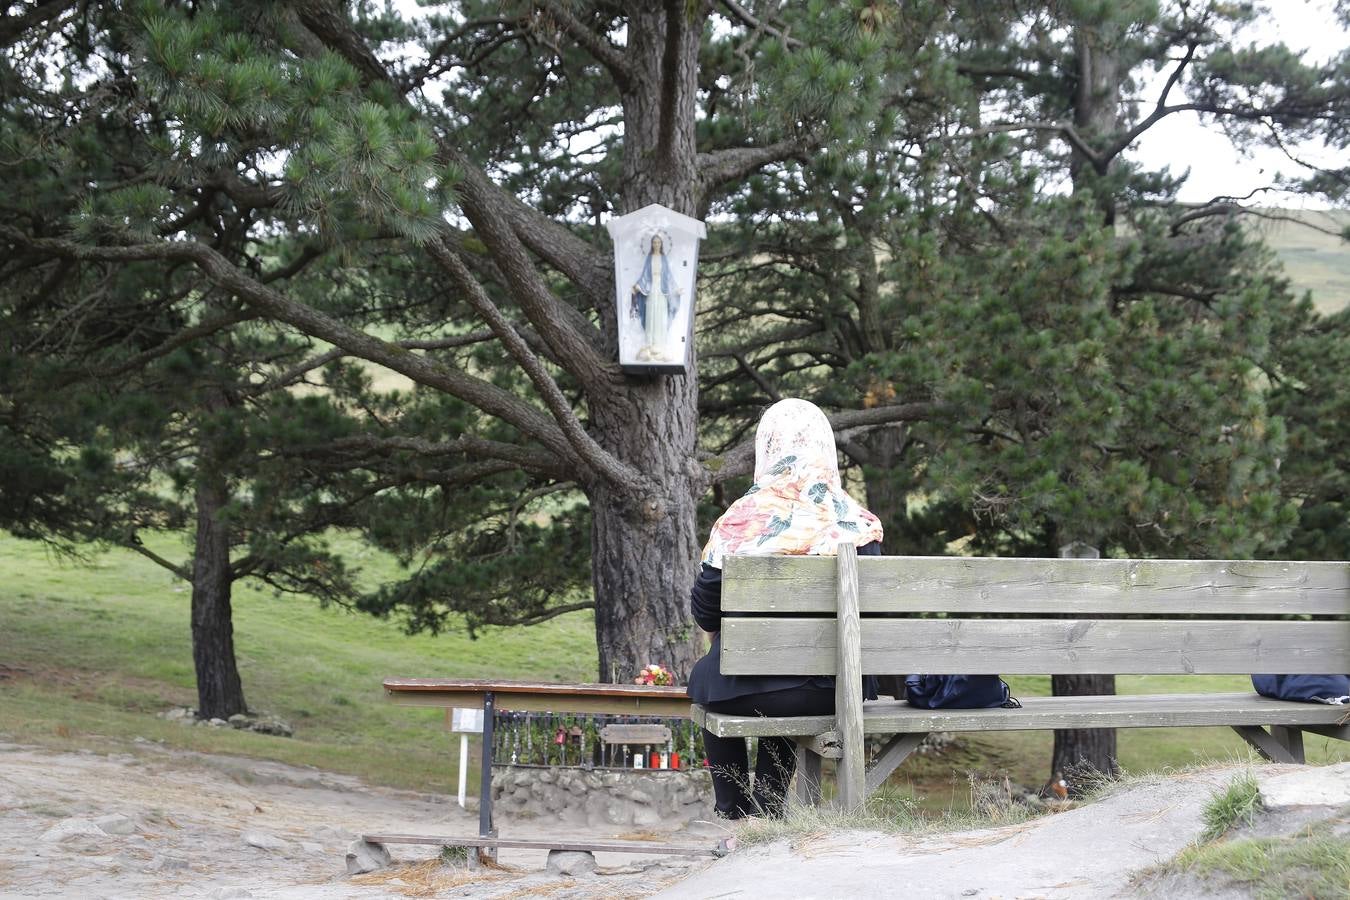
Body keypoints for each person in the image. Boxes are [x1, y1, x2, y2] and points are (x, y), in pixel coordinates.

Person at [687, 398, 884, 820]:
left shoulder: (742, 520)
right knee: (784, 679)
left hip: (757, 687)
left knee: (712, 677)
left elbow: (705, 612)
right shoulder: (858, 523)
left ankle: (735, 813)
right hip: (841, 690)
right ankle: (769, 807)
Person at [629, 234, 680, 361]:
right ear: (652, 244)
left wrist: (675, 288)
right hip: (651, 288)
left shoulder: (663, 258)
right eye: (654, 242)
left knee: (661, 314)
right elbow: (645, 274)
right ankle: (650, 343)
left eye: (658, 242)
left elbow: (668, 275)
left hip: (661, 289)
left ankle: (660, 344)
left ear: (661, 244)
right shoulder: (649, 258)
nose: (656, 245)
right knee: (651, 313)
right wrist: (638, 285)